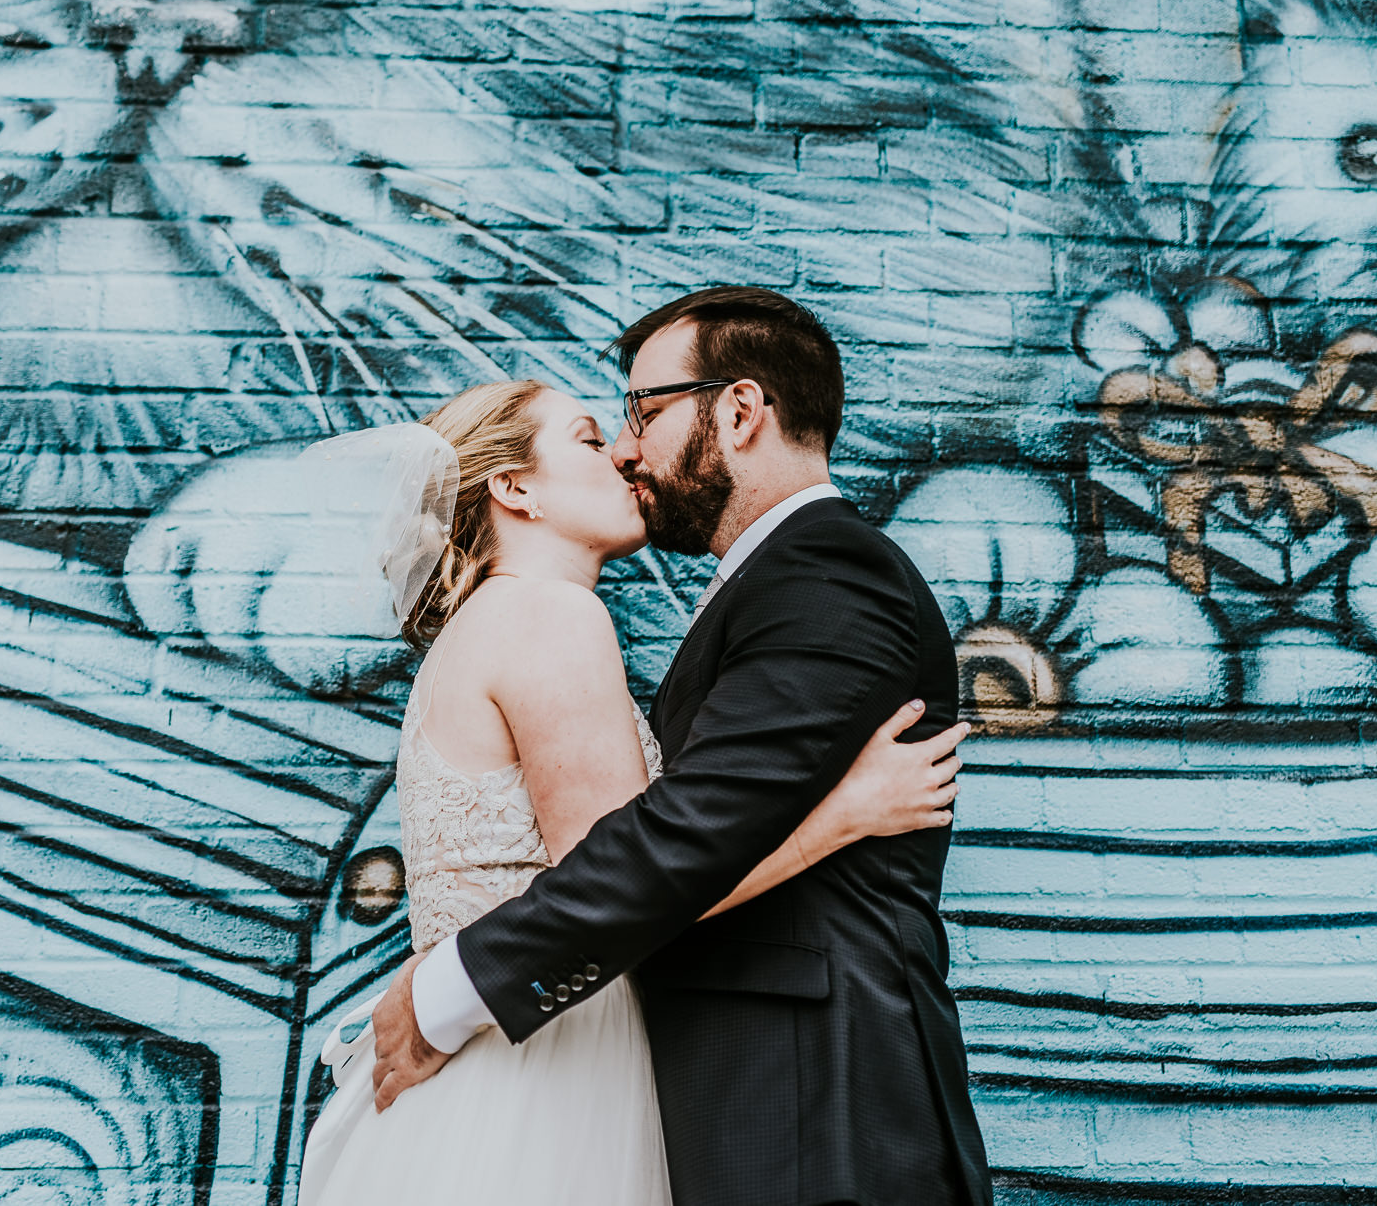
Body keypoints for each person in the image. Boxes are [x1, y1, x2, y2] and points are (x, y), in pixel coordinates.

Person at [369, 287, 994, 1206]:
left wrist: (452, 989)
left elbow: (688, 833)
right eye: (605, 429)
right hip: (712, 1100)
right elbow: (681, 831)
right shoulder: (655, 602)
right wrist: (840, 814)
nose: (627, 448)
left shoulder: (827, 570)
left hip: (817, 1109)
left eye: (643, 413)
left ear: (739, 411)